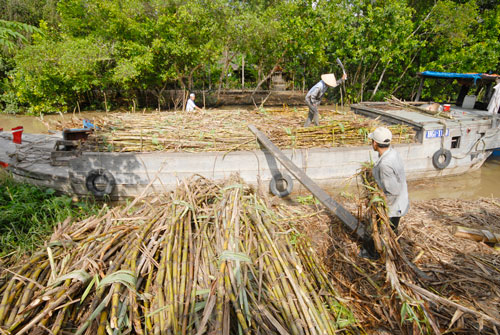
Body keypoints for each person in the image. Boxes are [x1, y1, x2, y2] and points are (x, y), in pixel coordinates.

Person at [368, 127, 409, 232]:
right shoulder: (393, 153)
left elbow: (393, 191)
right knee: (391, 231)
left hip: (394, 206)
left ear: (375, 143)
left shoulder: (385, 164)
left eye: (372, 141)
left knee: (387, 232)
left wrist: (381, 209)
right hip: (401, 200)